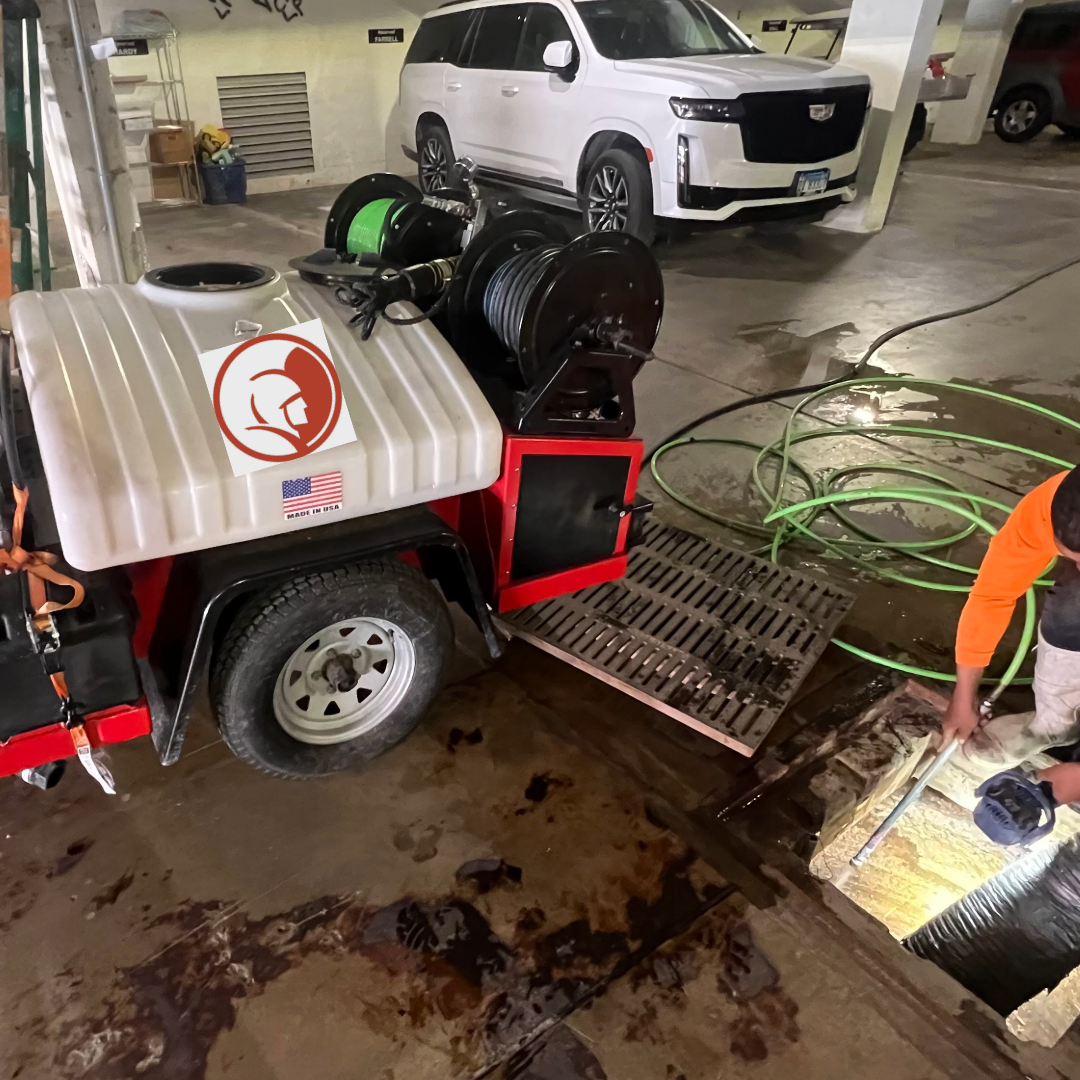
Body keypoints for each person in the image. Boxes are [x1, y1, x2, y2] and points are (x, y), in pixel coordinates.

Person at [942, 466, 1080, 804]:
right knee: (1072, 607)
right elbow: (992, 596)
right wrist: (964, 697)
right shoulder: (1047, 509)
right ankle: (1058, 721)